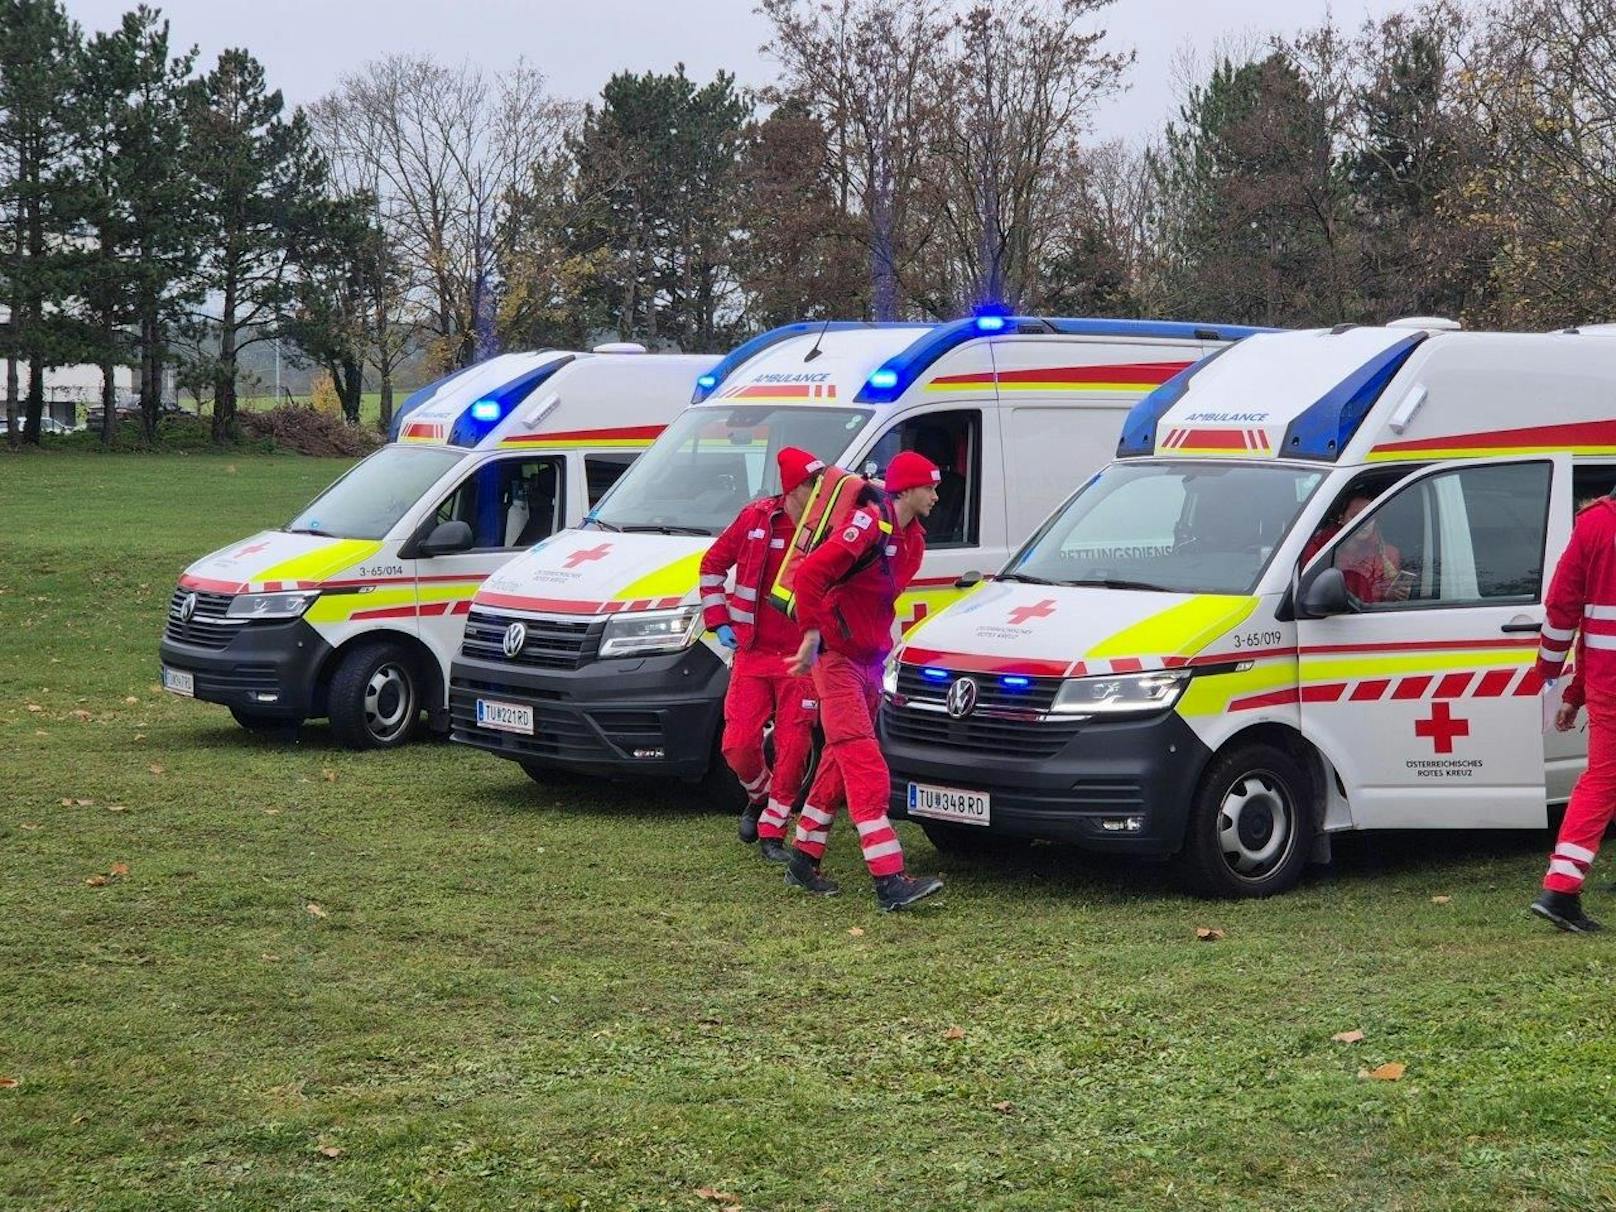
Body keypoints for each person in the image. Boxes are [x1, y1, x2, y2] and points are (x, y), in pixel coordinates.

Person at [784, 450, 946, 911]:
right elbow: (812, 575)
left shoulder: (912, 537)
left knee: (838, 760)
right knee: (865, 765)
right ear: (908, 490)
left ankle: (803, 857)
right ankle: (890, 880)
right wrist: (813, 633)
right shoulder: (868, 525)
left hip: (868, 660)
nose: (936, 497)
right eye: (930, 488)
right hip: (837, 659)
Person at [699, 447, 827, 861]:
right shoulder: (756, 517)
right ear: (792, 488)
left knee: (793, 747)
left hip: (800, 658)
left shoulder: (827, 526)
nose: (818, 491)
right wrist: (718, 620)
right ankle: (761, 797)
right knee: (737, 744)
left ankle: (774, 830)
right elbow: (712, 565)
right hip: (752, 653)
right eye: (811, 484)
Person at [1533, 494, 1616, 932]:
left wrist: (1555, 677)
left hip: (1608, 682)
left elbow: (1568, 614)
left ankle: (1562, 886)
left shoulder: (1593, 527)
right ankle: (1560, 889)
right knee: (1603, 781)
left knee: (1602, 779)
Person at [1302, 493, 1410, 604]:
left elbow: (1391, 604)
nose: (1363, 523)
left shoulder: (1388, 555)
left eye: (1370, 517)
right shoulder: (1320, 551)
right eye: (1355, 517)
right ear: (1341, 518)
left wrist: (1394, 595)